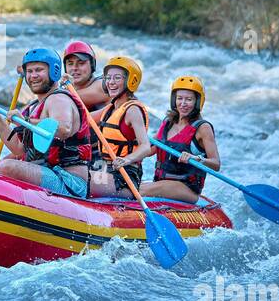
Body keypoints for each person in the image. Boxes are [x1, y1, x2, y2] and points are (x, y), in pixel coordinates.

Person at [0, 48, 94, 197]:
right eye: (29, 71)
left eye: (38, 70)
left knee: (7, 167)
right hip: (47, 173)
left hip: (70, 182)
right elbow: (19, 149)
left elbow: (64, 128)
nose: (33, 76)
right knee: (1, 167)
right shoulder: (32, 107)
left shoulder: (59, 99)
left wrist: (26, 122)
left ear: (54, 71)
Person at [137, 75, 220, 204]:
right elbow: (149, 150)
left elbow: (216, 164)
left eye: (189, 99)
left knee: (136, 191)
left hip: (186, 187)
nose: (183, 103)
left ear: (198, 102)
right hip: (161, 183)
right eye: (179, 98)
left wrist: (196, 158)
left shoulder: (203, 128)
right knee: (129, 185)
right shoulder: (167, 123)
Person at [88, 56, 151, 198]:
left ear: (130, 81)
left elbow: (145, 146)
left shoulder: (132, 110)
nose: (111, 82)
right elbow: (84, 118)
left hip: (124, 178)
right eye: (108, 78)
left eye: (117, 78)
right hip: (105, 169)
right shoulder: (110, 108)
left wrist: (126, 159)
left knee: (79, 180)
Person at [63, 40, 110, 110]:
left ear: (92, 65)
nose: (74, 68)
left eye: (81, 63)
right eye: (70, 64)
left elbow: (67, 99)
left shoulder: (103, 85)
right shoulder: (66, 89)